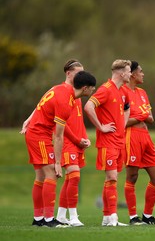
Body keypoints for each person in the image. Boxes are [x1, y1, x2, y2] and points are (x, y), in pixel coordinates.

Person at [21, 70, 96, 228]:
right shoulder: (66, 101)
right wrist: (57, 162)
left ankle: (38, 219)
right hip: (39, 135)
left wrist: (77, 140)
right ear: (84, 88)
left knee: (41, 178)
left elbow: (61, 126)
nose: (93, 90)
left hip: (36, 133)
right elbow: (59, 136)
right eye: (92, 87)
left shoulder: (61, 89)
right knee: (52, 175)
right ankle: (49, 220)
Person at [84, 59, 132, 227]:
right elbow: (88, 106)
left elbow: (127, 108)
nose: (131, 74)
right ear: (121, 73)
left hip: (120, 141)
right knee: (111, 177)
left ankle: (107, 217)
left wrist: (123, 124)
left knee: (112, 178)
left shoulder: (124, 91)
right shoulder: (106, 89)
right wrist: (101, 127)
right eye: (128, 71)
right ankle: (113, 217)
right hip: (107, 141)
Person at [123, 61, 155, 225]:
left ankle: (148, 216)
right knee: (132, 176)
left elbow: (151, 118)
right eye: (141, 71)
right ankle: (133, 217)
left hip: (146, 137)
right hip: (131, 136)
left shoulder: (142, 92)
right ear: (132, 74)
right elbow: (123, 122)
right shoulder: (123, 92)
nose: (143, 74)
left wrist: (139, 116)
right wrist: (141, 116)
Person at [50, 60, 92, 227]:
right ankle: (73, 216)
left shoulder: (78, 92)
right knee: (74, 175)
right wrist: (29, 120)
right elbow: (59, 121)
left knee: (70, 179)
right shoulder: (61, 91)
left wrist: (83, 137)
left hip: (78, 140)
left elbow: (77, 119)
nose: (81, 76)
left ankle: (61, 215)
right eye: (78, 73)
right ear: (68, 73)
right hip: (66, 139)